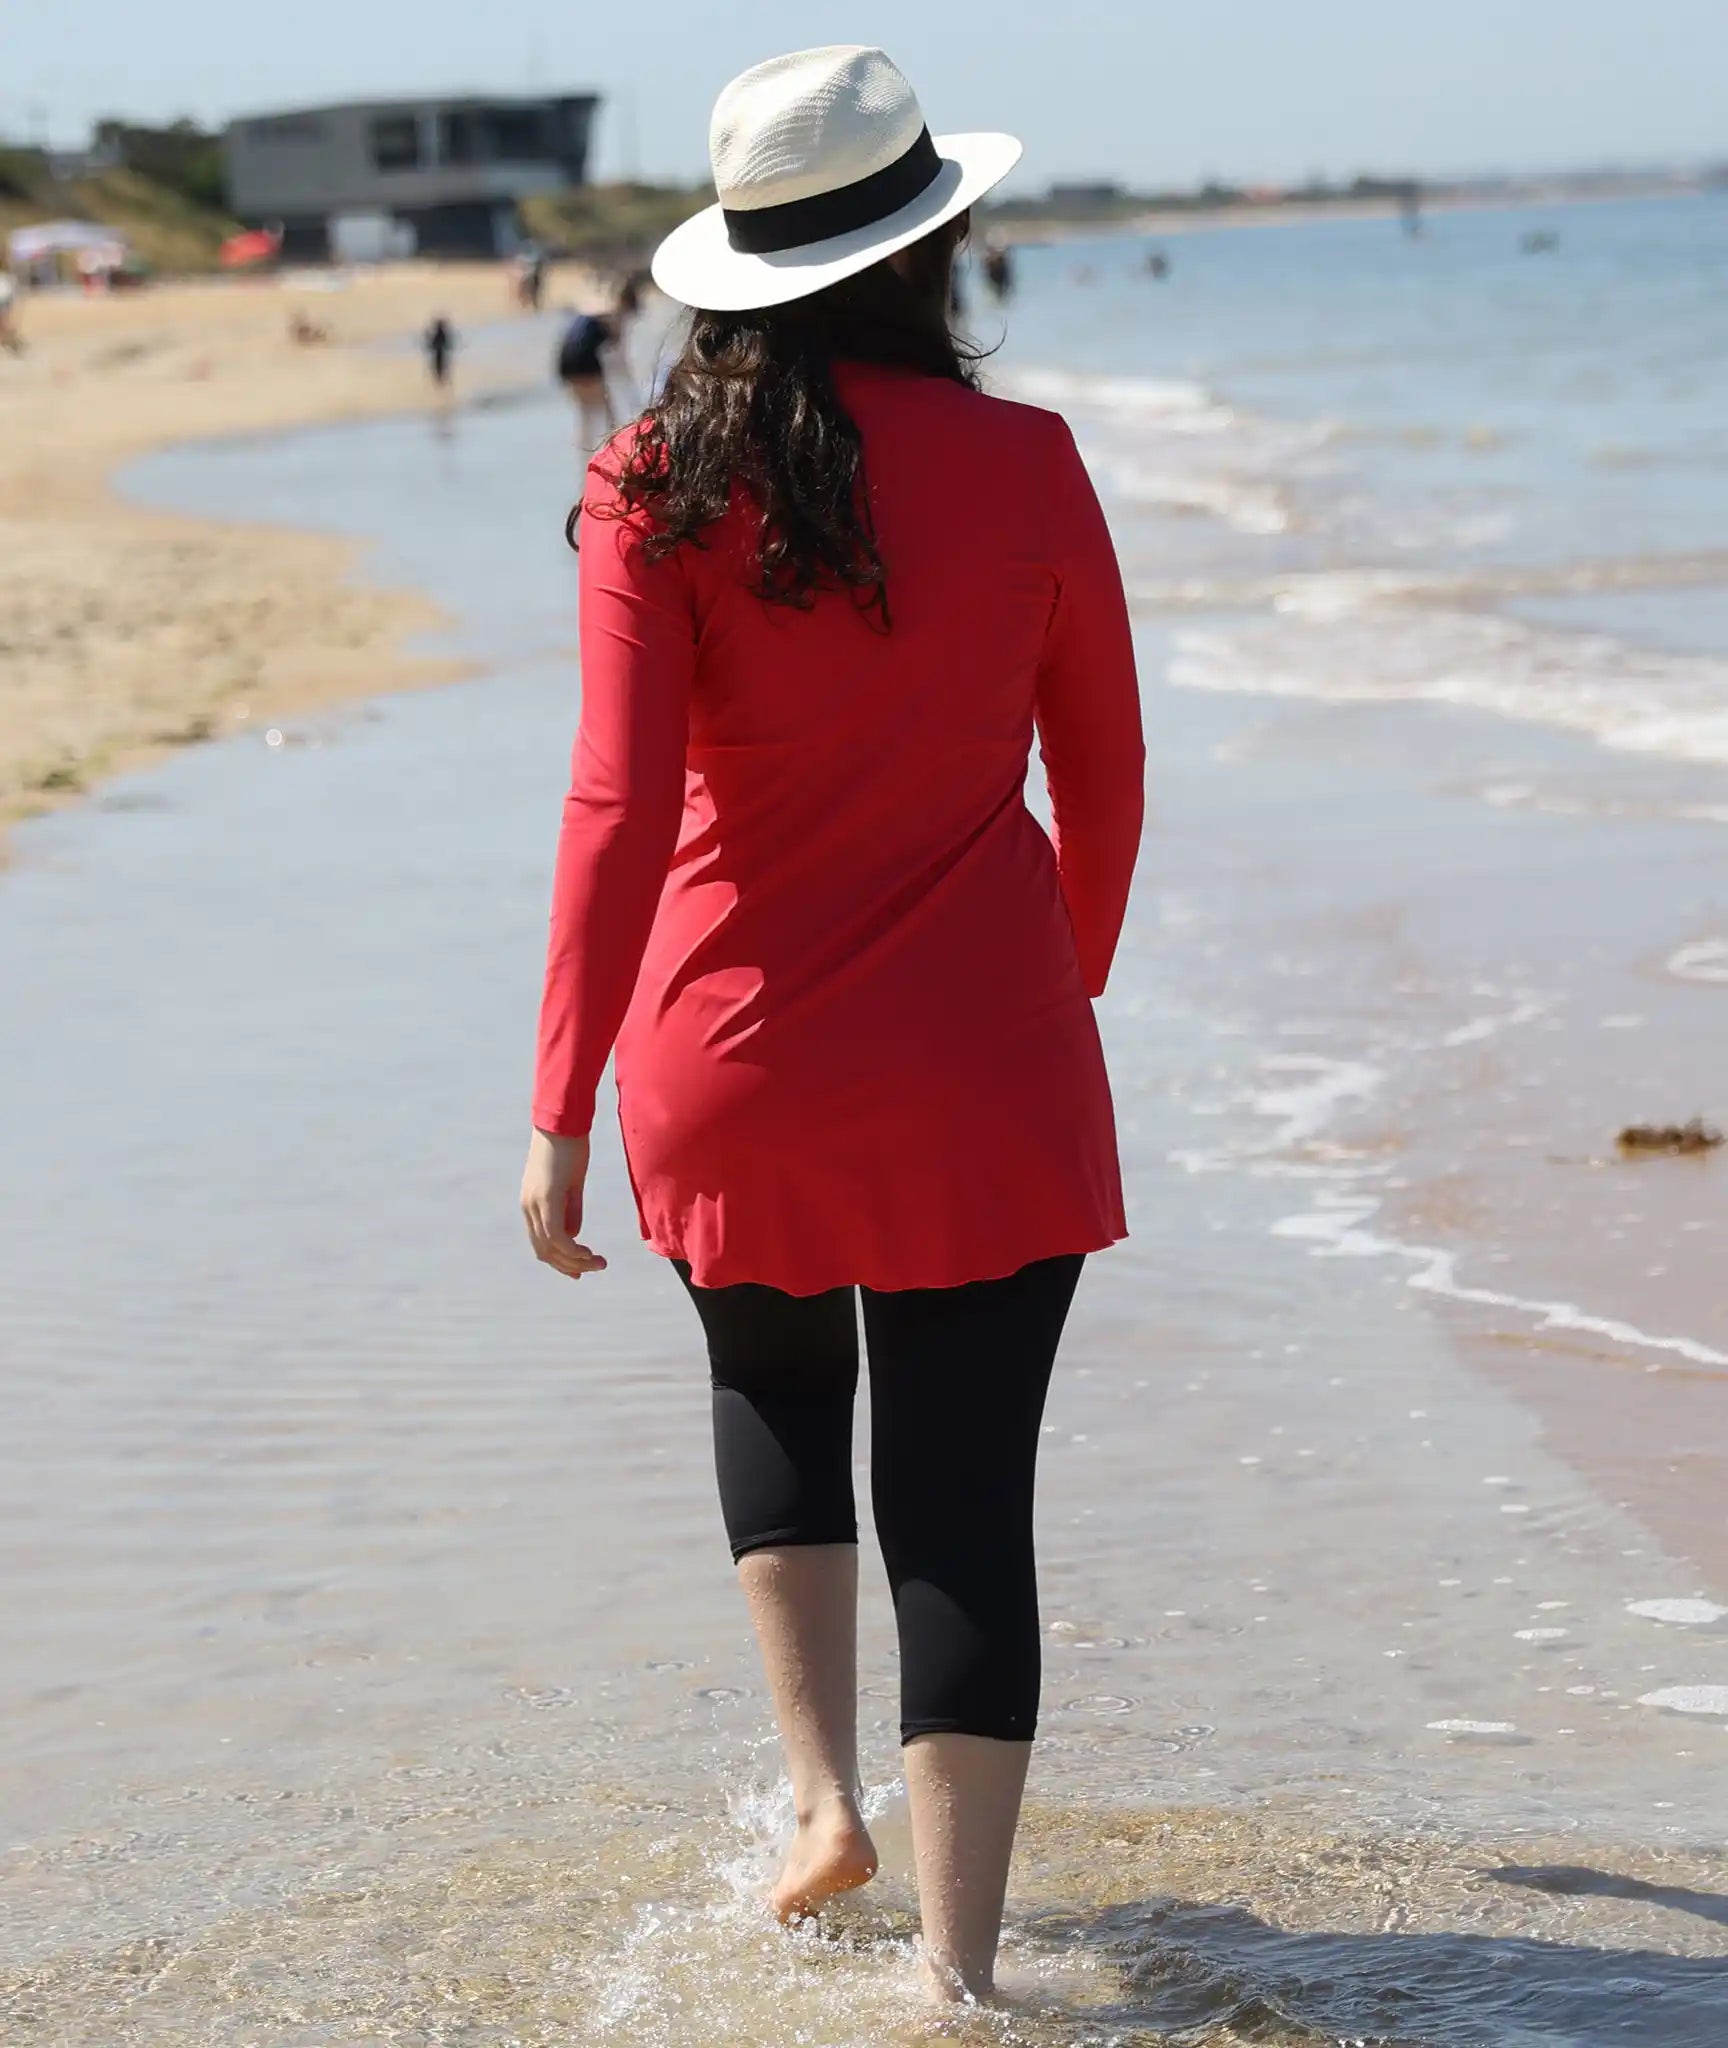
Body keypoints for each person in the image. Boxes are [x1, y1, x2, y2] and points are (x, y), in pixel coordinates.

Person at [521, 45, 1143, 2008]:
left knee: (775, 1404)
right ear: (928, 244)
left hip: (727, 1064)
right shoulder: (1027, 462)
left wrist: (557, 1097)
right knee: (963, 1498)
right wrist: (1065, 982)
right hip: (985, 1058)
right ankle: (960, 1982)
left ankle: (818, 1803)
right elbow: (1103, 774)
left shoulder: (649, 479)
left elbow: (615, 805)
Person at [554, 301, 619, 448]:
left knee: (584, 410)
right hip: (583, 363)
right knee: (607, 406)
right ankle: (618, 445)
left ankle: (584, 451)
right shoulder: (605, 323)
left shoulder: (580, 320)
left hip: (566, 365)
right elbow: (615, 357)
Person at [423, 313, 455, 391]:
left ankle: (440, 384)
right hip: (441, 355)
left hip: (438, 355)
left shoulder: (438, 334)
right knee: (442, 370)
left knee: (439, 370)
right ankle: (442, 384)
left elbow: (431, 345)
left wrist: (427, 337)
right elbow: (448, 345)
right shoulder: (443, 334)